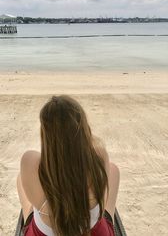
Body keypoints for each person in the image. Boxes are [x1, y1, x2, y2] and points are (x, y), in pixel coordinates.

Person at [17, 95, 120, 236]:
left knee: (21, 180)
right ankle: (108, 219)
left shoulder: (29, 160)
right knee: (113, 169)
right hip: (93, 232)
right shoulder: (99, 155)